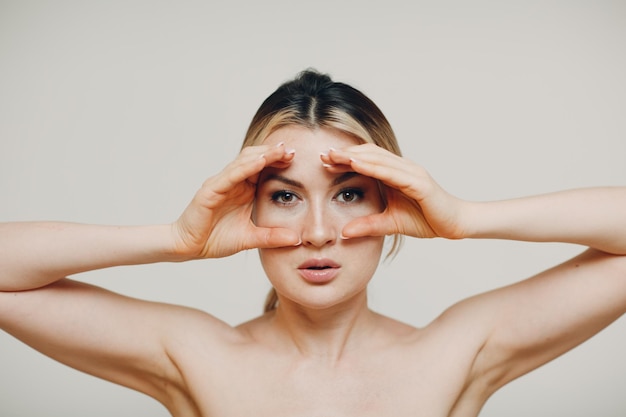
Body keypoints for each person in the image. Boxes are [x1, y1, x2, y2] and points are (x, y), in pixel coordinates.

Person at [1, 69, 625, 417]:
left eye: (350, 193)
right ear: (248, 205)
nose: (318, 232)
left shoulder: (454, 352)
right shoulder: (196, 355)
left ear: (393, 203)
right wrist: (177, 238)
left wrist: (461, 216)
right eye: (284, 194)